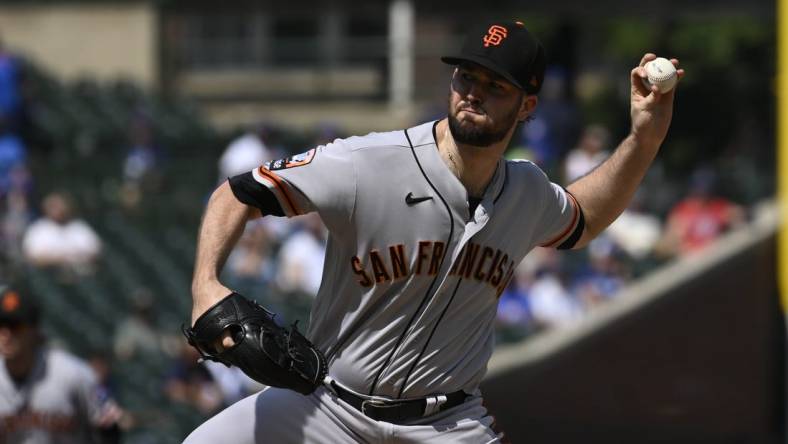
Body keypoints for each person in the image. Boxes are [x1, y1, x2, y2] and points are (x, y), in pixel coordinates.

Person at [185, 19, 683, 443]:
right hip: (327, 409)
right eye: (467, 77)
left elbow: (582, 218)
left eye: (496, 86)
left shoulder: (526, 191)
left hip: (446, 424)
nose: (474, 93)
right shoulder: (368, 163)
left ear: (527, 106)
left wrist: (644, 139)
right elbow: (238, 193)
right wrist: (206, 282)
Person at [0, 284, 123, 443]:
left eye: (15, 326)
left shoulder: (73, 375)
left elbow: (109, 428)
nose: (5, 334)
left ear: (34, 330)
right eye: (0, 325)